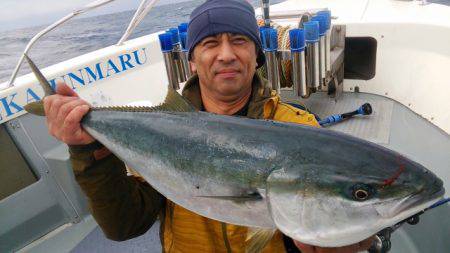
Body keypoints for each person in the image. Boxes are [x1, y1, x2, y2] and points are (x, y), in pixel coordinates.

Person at [43, 0, 374, 252]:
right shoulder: (163, 129)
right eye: (210, 43)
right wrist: (86, 150)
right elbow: (124, 226)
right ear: (192, 59)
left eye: (240, 41)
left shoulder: (299, 127)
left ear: (256, 54)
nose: (226, 54)